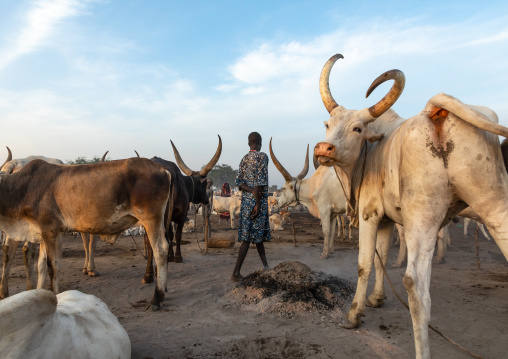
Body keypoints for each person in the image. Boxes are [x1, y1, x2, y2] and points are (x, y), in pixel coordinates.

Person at [231, 132, 271, 282]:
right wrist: (258, 202)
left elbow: (239, 182)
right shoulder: (262, 157)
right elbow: (261, 181)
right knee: (249, 239)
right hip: (257, 202)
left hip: (246, 203)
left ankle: (266, 266)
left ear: (249, 143)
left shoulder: (244, 159)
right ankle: (235, 273)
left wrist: (250, 191)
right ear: (260, 142)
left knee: (254, 237)